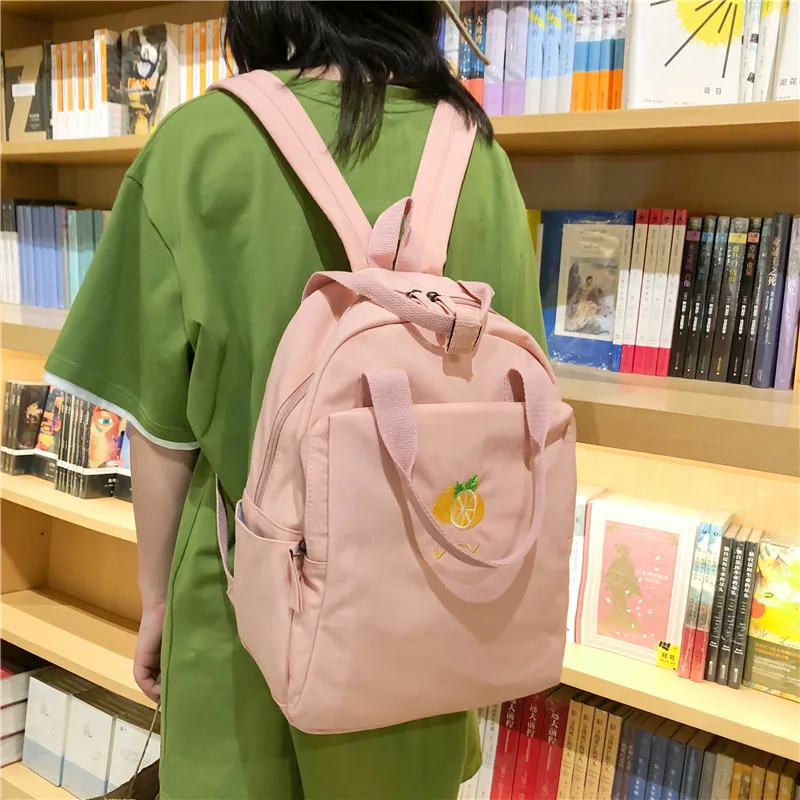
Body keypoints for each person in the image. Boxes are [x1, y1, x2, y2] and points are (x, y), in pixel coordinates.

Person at [44, 2, 547, 797]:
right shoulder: (476, 152)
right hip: (427, 613)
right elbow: (513, 406)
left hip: (242, 615)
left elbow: (164, 433)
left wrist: (155, 603)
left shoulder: (201, 143)